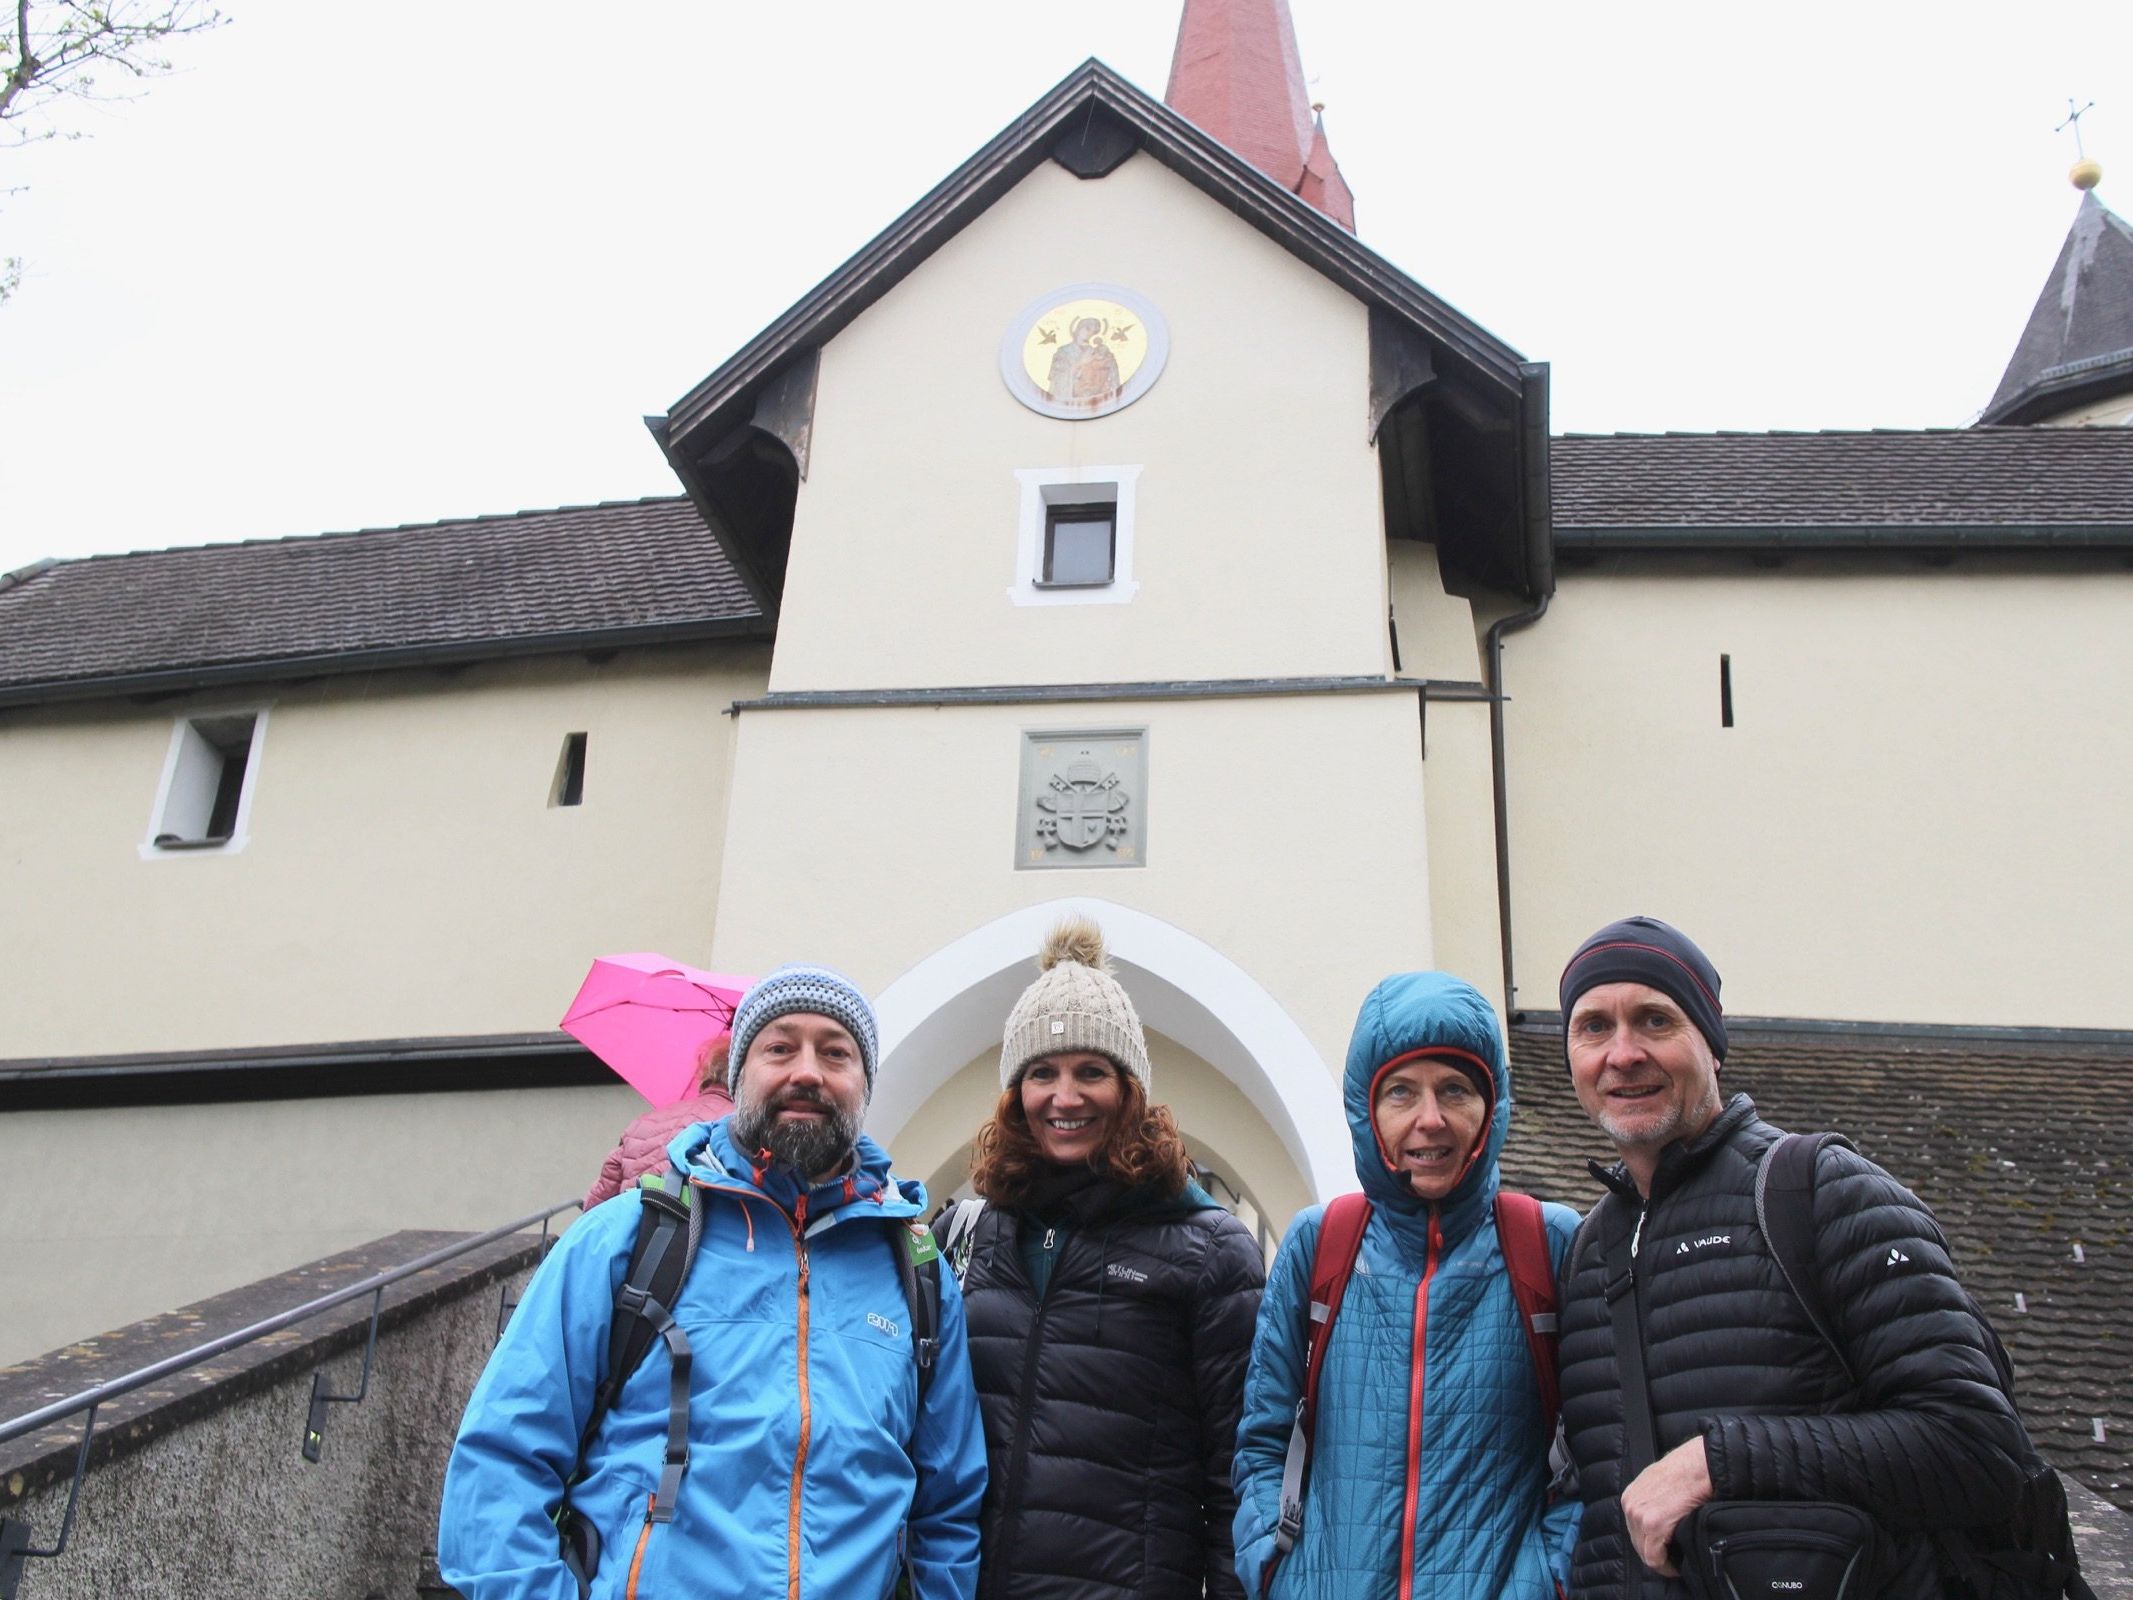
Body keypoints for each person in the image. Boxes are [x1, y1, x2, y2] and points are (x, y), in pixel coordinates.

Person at [439, 964, 987, 1600]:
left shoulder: (917, 1271)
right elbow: (501, 1460)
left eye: (835, 1052)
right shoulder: (627, 1240)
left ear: (865, 1084)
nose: (806, 1071)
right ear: (738, 1076)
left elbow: (948, 1506)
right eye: (779, 1047)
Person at [1554, 915, 2031, 1600]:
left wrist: (1717, 1462)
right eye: (1593, 1026)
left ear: (1711, 1045)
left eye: (1655, 1020)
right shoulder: (1588, 1252)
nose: (1622, 1053)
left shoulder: (1820, 1193)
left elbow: (1977, 1449)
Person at [1232, 970, 1580, 1599]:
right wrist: (1277, 1569)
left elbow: (1594, 1451)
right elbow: (1264, 1437)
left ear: (1491, 1106)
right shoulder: (1321, 1244)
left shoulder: (1547, 1242)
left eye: (1455, 1090)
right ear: (1367, 1110)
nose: (1430, 1120)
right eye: (1400, 1093)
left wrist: (1549, 1580)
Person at [946, 916, 1263, 1600]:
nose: (1064, 1097)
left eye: (1091, 1071)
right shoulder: (976, 1234)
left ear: (1129, 1090)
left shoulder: (1208, 1249)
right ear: (1015, 1094)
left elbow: (1235, 1475)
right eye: (1041, 1073)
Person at [581, 1030, 736, 1209]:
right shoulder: (736, 1124)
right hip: (696, 1230)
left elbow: (600, 1198)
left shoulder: (644, 1121)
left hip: (635, 1227)